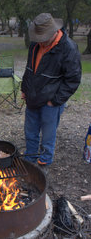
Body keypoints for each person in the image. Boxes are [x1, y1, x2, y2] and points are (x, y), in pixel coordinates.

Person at [21, 13, 81, 172]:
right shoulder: (35, 45)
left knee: (48, 135)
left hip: (51, 101)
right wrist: (24, 88)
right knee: (30, 131)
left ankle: (44, 162)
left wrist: (54, 101)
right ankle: (31, 158)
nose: (40, 40)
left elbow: (73, 80)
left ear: (54, 32)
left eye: (43, 37)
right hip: (32, 97)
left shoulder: (68, 48)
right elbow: (29, 69)